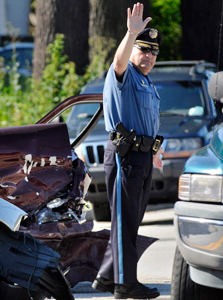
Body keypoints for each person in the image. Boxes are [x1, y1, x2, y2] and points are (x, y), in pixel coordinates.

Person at [91, 2, 164, 299]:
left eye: (153, 51)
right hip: (125, 156)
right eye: (143, 48)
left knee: (130, 221)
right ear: (134, 48)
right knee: (124, 222)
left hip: (143, 157)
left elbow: (149, 119)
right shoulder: (125, 75)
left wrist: (156, 150)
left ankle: (106, 277)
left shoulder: (147, 81)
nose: (148, 55)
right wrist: (130, 34)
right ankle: (125, 285)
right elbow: (119, 62)